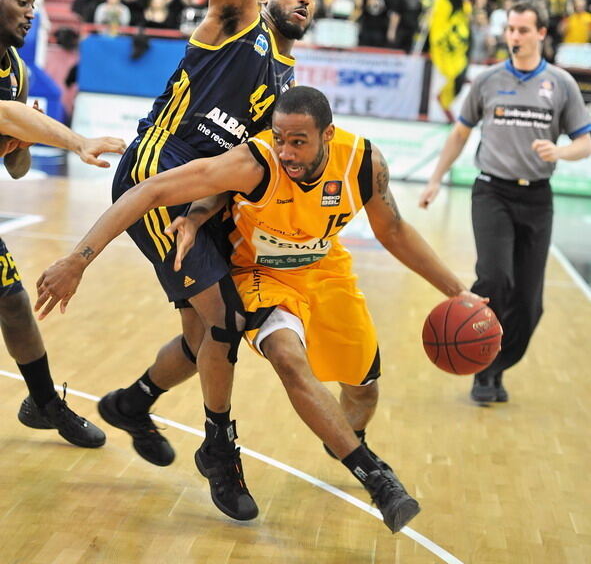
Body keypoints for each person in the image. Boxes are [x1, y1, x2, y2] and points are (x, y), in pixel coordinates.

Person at [36, 0, 315, 523]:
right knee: (221, 317)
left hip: (200, 193)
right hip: (154, 174)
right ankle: (219, 444)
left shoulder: (288, 81)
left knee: (201, 336)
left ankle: (134, 401)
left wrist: (212, 207)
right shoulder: (236, 14)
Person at [36, 85, 485, 534]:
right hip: (259, 274)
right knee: (286, 359)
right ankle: (377, 479)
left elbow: (395, 231)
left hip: (326, 268)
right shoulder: (255, 162)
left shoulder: (364, 162)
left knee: (363, 389)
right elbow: (152, 189)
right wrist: (78, 258)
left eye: (298, 142)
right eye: (279, 138)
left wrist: (456, 291)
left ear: (328, 134)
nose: (286, 152)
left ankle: (140, 402)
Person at [418, 2, 591, 403]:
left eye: (523, 30)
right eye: (511, 29)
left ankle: (496, 364)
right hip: (491, 191)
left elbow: (584, 140)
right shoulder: (488, 80)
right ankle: (481, 367)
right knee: (496, 279)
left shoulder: (561, 84)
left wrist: (560, 153)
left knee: (530, 305)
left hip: (537, 197)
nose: (514, 37)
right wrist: (435, 179)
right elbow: (460, 133)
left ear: (541, 34)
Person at [0, 0, 127, 447]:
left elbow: (16, 168)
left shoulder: (19, 71)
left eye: (35, 3)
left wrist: (20, 142)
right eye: (22, 1)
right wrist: (76, 142)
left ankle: (44, 404)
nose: (32, 13)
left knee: (13, 303)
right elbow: (6, 114)